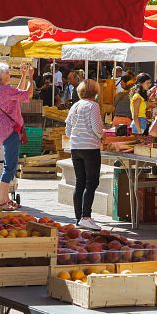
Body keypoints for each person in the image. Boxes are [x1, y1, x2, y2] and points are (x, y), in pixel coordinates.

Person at [0, 61, 35, 209]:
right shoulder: (4, 90)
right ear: (1, 76)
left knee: (9, 165)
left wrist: (23, 76)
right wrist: (30, 77)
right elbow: (28, 94)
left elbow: (17, 93)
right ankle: (2, 200)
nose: (9, 74)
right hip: (10, 131)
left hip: (4, 130)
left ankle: (5, 198)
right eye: (7, 72)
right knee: (10, 166)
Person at [66, 79, 105, 230]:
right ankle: (86, 216)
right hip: (90, 147)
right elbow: (97, 128)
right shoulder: (93, 106)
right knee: (91, 182)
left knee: (80, 182)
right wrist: (102, 135)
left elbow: (68, 128)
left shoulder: (75, 105)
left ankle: (79, 217)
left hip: (75, 147)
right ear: (95, 92)